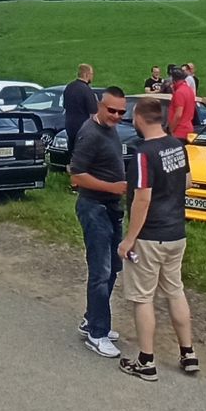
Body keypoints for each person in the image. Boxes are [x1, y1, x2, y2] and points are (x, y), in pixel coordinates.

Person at [115, 98, 197, 381]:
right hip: (176, 233)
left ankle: (146, 360)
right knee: (175, 291)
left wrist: (129, 239)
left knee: (142, 298)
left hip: (150, 236)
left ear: (138, 118)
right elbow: (187, 182)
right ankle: (188, 352)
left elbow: (143, 198)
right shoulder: (177, 145)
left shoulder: (143, 154)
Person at [70, 86, 129, 357]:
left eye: (121, 112)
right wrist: (112, 187)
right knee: (101, 271)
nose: (116, 116)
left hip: (112, 208)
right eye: (112, 110)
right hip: (94, 207)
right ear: (99, 106)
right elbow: (77, 175)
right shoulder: (90, 133)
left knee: (113, 266)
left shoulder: (110, 129)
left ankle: (91, 318)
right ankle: (97, 333)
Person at [62, 63, 97, 156]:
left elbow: (65, 107)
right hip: (83, 129)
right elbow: (93, 113)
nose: (92, 77)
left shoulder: (69, 87)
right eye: (91, 74)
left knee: (73, 153)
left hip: (69, 127)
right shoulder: (87, 90)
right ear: (86, 74)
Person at [166, 67, 196, 141]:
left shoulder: (179, 92)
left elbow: (178, 114)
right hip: (188, 129)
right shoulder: (189, 90)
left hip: (179, 132)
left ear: (174, 80)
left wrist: (170, 130)